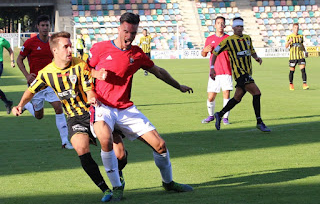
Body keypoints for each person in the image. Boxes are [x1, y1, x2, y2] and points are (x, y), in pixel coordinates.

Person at [88, 12, 194, 201]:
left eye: (133, 33)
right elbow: (84, 70)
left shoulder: (137, 54)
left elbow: (158, 72)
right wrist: (95, 75)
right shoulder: (100, 49)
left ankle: (168, 183)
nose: (129, 37)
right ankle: (117, 187)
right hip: (103, 106)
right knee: (110, 145)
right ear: (120, 28)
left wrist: (178, 86)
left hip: (125, 108)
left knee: (160, 145)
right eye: (127, 31)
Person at [12, 31, 127, 202]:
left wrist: (92, 98)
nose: (70, 50)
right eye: (66, 46)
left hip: (94, 113)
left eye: (70, 46)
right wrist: (20, 105)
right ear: (55, 50)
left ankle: (117, 174)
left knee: (120, 155)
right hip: (75, 118)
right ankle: (105, 189)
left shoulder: (80, 65)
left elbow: (89, 88)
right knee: (81, 148)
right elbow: (30, 91)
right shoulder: (46, 73)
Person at [16, 15, 72, 149]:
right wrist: (27, 75)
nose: (45, 28)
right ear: (38, 27)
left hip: (50, 82)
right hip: (35, 83)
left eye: (47, 25)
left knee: (59, 107)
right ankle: (28, 106)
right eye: (43, 25)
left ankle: (65, 141)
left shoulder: (53, 42)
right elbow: (19, 60)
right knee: (39, 116)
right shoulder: (30, 43)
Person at [211, 17, 271, 132]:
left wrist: (256, 58)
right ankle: (259, 121)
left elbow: (251, 50)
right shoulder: (228, 40)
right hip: (240, 74)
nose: (239, 28)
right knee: (257, 93)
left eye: (241, 26)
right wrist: (212, 68)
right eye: (237, 26)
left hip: (248, 72)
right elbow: (215, 52)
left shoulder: (247, 38)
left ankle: (219, 114)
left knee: (237, 98)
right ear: (233, 28)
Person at [201, 16, 232, 125]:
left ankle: (225, 117)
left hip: (226, 71)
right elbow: (204, 54)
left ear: (225, 25)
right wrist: (205, 50)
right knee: (211, 97)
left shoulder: (229, 39)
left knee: (226, 94)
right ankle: (210, 116)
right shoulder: (209, 39)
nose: (220, 25)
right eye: (218, 23)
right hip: (214, 72)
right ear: (215, 25)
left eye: (222, 23)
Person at [285, 23, 309, 91]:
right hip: (293, 57)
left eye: (297, 28)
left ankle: (305, 84)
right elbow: (286, 46)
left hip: (300, 56)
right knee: (292, 71)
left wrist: (305, 51)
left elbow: (302, 45)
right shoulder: (289, 37)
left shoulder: (300, 36)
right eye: (295, 28)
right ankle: (291, 84)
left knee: (303, 70)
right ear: (293, 28)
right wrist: (289, 42)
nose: (296, 29)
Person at [0, 36, 15, 114]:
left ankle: (7, 102)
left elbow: (10, 51)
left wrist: (12, 61)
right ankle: (7, 102)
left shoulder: (2, 40)